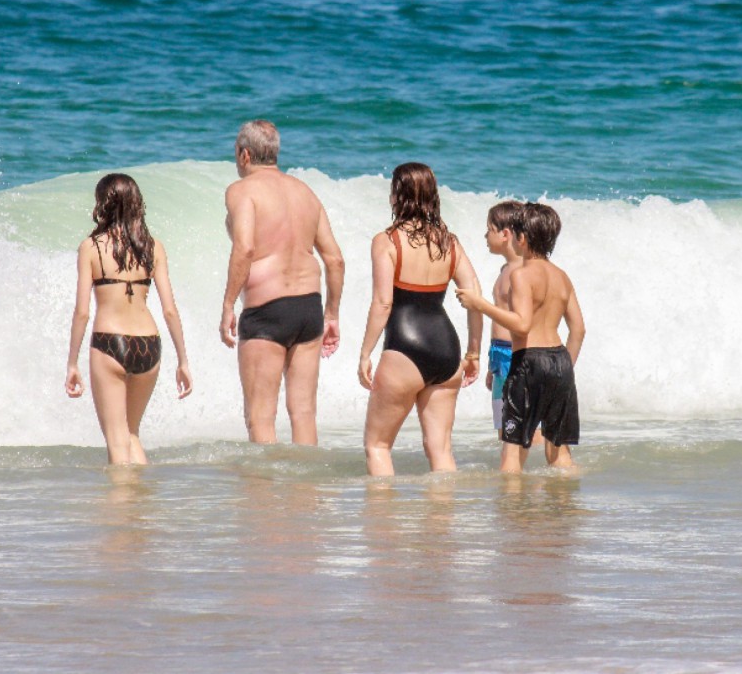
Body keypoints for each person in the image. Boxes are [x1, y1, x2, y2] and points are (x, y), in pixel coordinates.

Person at [220, 120, 344, 445]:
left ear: (245, 154)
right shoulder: (305, 192)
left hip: (267, 311)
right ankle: (307, 479)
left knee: (259, 417)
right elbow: (335, 259)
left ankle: (263, 481)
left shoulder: (242, 190)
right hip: (308, 309)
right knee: (303, 413)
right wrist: (332, 314)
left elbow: (245, 248)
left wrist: (228, 304)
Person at [359, 162, 483, 476]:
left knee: (378, 446)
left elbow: (383, 303)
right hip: (446, 349)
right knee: (440, 450)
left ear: (397, 196)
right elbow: (475, 297)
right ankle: (444, 509)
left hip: (404, 348)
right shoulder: (449, 242)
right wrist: (473, 352)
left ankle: (383, 510)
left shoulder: (387, 241)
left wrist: (365, 354)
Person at [66, 173, 193, 465]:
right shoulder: (153, 247)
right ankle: (140, 494)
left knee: (116, 440)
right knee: (131, 434)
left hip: (110, 343)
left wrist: (72, 363)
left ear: (102, 204)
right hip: (149, 345)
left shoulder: (91, 247)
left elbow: (82, 312)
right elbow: (170, 310)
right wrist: (183, 361)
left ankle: (121, 496)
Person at [456, 202, 584, 472]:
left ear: (522, 238)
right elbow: (578, 330)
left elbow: (522, 324)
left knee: (512, 452)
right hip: (560, 361)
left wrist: (480, 305)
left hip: (529, 361)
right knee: (558, 453)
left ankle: (513, 500)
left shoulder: (521, 275)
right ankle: (567, 498)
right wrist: (564, 369)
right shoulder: (562, 276)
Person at [482, 200, 545, 465]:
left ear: (505, 234)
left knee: (523, 427)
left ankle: (537, 473)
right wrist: (491, 365)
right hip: (499, 356)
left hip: (516, 354)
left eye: (489, 230)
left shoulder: (522, 271)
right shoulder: (504, 270)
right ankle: (516, 472)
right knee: (503, 427)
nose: (485, 236)